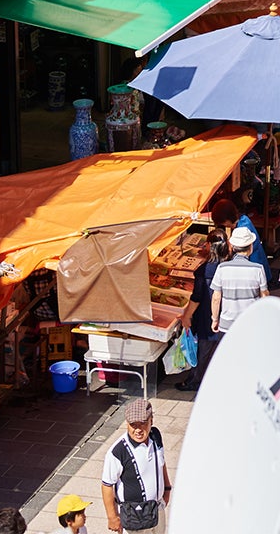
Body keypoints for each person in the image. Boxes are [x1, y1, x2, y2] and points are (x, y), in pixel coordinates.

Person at [101, 400, 171, 534]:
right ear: (127, 424)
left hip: (157, 510)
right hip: (133, 516)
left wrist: (167, 490)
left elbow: (161, 463)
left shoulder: (156, 437)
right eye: (133, 425)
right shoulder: (118, 452)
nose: (138, 430)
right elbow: (107, 485)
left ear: (151, 420)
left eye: (143, 423)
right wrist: (112, 517)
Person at [177, 228, 229, 392]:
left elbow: (197, 297)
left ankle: (195, 380)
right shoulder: (228, 266)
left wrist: (187, 316)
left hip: (207, 316)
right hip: (227, 315)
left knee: (204, 350)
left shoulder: (205, 271)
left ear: (209, 245)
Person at [211, 225, 267, 334]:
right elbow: (264, 296)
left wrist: (215, 319)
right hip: (251, 323)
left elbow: (216, 298)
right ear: (250, 247)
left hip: (227, 325)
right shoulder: (258, 269)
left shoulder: (222, 268)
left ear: (232, 246)